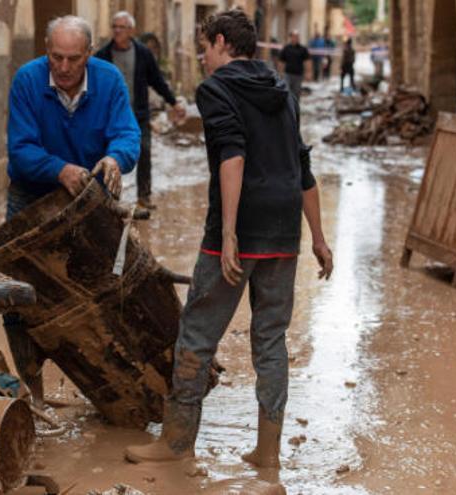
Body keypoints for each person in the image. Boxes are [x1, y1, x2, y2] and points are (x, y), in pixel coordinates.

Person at [124, 9, 333, 467]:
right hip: (283, 230)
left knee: (197, 334)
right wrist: (318, 236)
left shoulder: (216, 89)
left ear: (222, 42)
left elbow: (232, 156)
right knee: (271, 340)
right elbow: (302, 165)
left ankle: (176, 443)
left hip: (238, 228)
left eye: (204, 47)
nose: (201, 57)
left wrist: (230, 233)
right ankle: (268, 453)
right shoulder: (281, 88)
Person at [6, 15, 140, 405]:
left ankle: (105, 388)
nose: (63, 68)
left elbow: (128, 134)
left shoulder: (109, 80)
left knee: (103, 288)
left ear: (88, 54)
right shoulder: (28, 80)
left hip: (90, 200)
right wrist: (58, 169)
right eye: (56, 58)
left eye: (73, 59)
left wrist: (116, 158)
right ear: (47, 52)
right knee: (19, 296)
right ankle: (33, 391)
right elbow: (20, 149)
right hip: (31, 197)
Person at [96, 11, 186, 211]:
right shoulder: (102, 56)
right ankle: (107, 199)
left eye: (122, 27)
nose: (117, 31)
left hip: (138, 114)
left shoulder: (143, 53)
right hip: (110, 117)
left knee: (144, 152)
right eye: (115, 27)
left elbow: (157, 81)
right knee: (109, 156)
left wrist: (174, 102)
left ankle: (143, 197)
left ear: (131, 30)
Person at [278, 30, 310, 99]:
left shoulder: (303, 49)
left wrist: (308, 72)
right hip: (288, 74)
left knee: (296, 93)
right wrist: (280, 72)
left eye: (297, 37)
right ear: (291, 37)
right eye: (294, 36)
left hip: (298, 75)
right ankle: (288, 108)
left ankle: (295, 108)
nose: (295, 38)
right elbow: (281, 61)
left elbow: (307, 61)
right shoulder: (286, 48)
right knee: (287, 92)